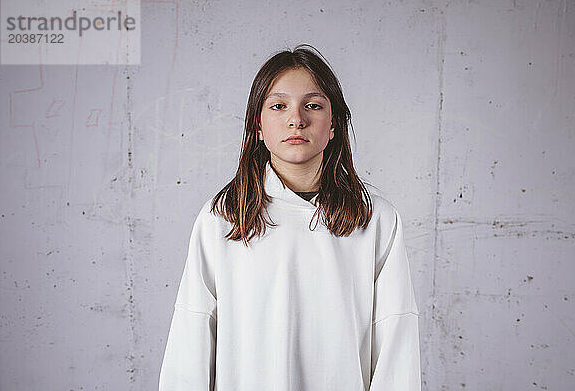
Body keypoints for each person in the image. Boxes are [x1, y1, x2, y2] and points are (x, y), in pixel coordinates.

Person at [158, 44, 421, 390]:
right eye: (279, 106)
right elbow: (190, 340)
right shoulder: (224, 219)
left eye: (312, 105)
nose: (296, 119)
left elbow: (396, 346)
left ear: (333, 125)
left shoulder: (375, 221)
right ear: (258, 126)